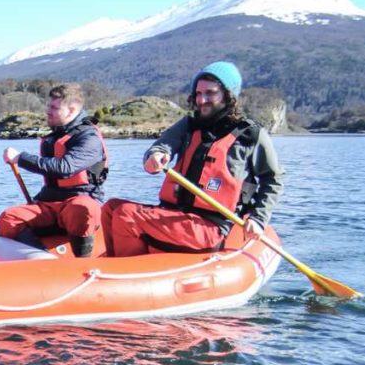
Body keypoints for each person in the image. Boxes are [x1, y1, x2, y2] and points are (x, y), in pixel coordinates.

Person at [100, 61, 284, 256]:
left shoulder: (250, 135)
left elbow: (273, 179)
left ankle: (128, 274)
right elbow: (161, 146)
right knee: (111, 208)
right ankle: (119, 266)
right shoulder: (189, 124)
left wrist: (258, 217)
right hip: (175, 216)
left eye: (210, 93)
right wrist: (156, 155)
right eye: (198, 94)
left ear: (229, 95)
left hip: (210, 226)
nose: (202, 100)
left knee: (126, 215)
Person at [0, 83, 108, 257]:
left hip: (79, 201)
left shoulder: (89, 138)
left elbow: (65, 168)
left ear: (71, 111)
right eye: (49, 106)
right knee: (9, 218)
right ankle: (44, 260)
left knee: (83, 208)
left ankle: (83, 263)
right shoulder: (56, 135)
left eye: (54, 108)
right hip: (49, 204)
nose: (48, 111)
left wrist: (20, 158)